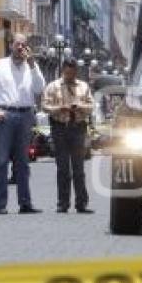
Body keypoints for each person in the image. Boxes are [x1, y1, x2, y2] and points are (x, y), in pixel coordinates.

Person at [0, 34, 46, 215]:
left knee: (23, 162)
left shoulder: (31, 67)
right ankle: (1, 205)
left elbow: (40, 88)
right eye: (17, 44)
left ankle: (25, 203)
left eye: (23, 45)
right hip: (4, 115)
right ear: (11, 45)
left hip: (26, 115)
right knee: (1, 161)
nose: (20, 47)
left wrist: (33, 65)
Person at [42, 58, 95, 213]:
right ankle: (63, 203)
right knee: (63, 168)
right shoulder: (53, 86)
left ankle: (81, 203)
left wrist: (80, 106)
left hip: (78, 128)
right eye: (67, 73)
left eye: (72, 73)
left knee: (79, 168)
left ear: (76, 72)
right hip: (60, 128)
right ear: (62, 71)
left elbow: (91, 106)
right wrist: (60, 108)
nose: (70, 75)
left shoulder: (83, 87)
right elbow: (44, 105)